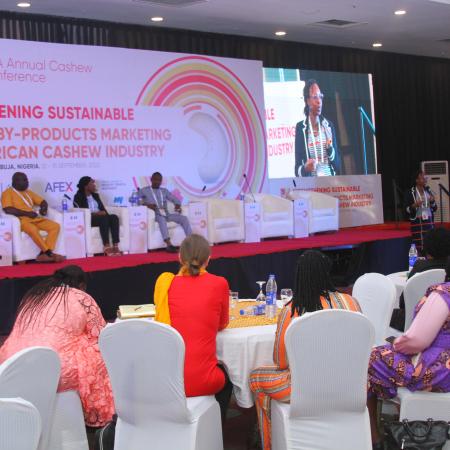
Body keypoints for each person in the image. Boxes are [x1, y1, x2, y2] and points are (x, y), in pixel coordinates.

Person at [249, 250, 361, 450]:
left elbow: (280, 363)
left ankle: (269, 443)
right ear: (327, 273)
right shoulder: (351, 302)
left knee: (256, 378)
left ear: (299, 276)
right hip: (351, 387)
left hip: (305, 391)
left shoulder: (292, 310)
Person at [0, 265, 115, 427]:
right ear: (82, 285)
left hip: (11, 366)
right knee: (97, 350)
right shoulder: (81, 297)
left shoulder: (36, 295)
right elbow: (100, 334)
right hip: (55, 369)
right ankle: (96, 415)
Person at [367, 257, 450, 450]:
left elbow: (417, 340)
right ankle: (399, 419)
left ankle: (374, 437)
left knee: (369, 359)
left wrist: (397, 344)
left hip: (438, 370)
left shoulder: (443, 293)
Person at [153, 234, 232, 422]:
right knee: (229, 377)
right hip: (203, 381)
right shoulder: (219, 283)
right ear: (208, 259)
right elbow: (222, 324)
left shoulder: (166, 284)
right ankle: (215, 428)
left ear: (180, 257)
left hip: (167, 380)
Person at [1, 172, 64, 263]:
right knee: (33, 229)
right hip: (21, 220)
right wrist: (27, 214)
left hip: (35, 218)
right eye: (24, 180)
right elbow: (8, 209)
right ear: (15, 181)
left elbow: (43, 201)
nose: (27, 182)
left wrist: (44, 209)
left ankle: (43, 254)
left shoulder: (28, 192)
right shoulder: (7, 193)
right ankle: (48, 253)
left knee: (55, 226)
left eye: (27, 180)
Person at [294, 79, 341, 177]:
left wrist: (330, 150)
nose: (319, 101)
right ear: (307, 101)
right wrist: (305, 168)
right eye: (315, 97)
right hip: (312, 184)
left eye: (320, 96)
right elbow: (297, 171)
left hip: (330, 182)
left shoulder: (328, 126)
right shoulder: (300, 128)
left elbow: (337, 165)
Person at [138, 172, 192, 253]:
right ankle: (169, 245)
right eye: (155, 179)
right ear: (151, 179)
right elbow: (135, 200)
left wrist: (177, 205)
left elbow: (175, 199)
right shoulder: (144, 190)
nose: (157, 182)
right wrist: (147, 205)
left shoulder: (164, 191)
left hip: (167, 214)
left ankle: (191, 242)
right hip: (156, 215)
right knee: (162, 219)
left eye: (159, 180)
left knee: (184, 218)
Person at [74, 176, 122, 256]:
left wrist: (104, 213)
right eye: (92, 183)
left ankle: (115, 246)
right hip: (90, 218)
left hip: (101, 217)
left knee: (114, 217)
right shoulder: (78, 196)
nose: (94, 185)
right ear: (86, 186)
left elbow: (102, 209)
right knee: (104, 218)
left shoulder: (95, 195)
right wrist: (97, 214)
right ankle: (106, 246)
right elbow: (80, 211)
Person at [405, 170, 437, 255]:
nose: (425, 179)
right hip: (417, 226)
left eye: (425, 177)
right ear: (417, 180)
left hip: (429, 224)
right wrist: (414, 205)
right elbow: (406, 210)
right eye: (422, 178)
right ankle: (419, 261)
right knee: (418, 248)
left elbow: (435, 208)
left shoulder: (428, 191)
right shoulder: (410, 192)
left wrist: (432, 202)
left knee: (430, 245)